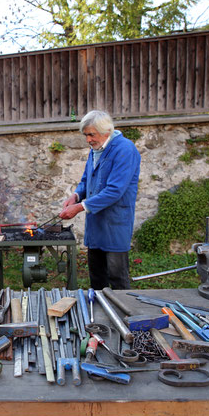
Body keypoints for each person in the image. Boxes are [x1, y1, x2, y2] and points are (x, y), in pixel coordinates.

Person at [59, 110, 141, 290]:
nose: (88, 140)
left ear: (106, 132)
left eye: (91, 135)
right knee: (97, 277)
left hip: (115, 223)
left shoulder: (125, 149)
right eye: (86, 135)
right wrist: (76, 196)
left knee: (117, 278)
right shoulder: (95, 150)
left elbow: (114, 190)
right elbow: (87, 180)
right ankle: (97, 313)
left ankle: (122, 315)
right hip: (96, 223)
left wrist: (80, 207)